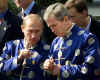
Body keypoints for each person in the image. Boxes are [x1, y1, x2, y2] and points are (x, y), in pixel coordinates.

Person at [43, 3, 100, 80]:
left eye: (54, 25)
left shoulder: (88, 38)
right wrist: (48, 66)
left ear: (66, 19)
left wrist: (61, 70)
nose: (52, 30)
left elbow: (93, 70)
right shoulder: (55, 42)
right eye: (50, 27)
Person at [0, 14, 50, 80]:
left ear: (42, 30)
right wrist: (18, 58)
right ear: (22, 28)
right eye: (30, 31)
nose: (33, 36)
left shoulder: (48, 50)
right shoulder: (11, 46)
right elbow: (1, 66)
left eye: (37, 31)